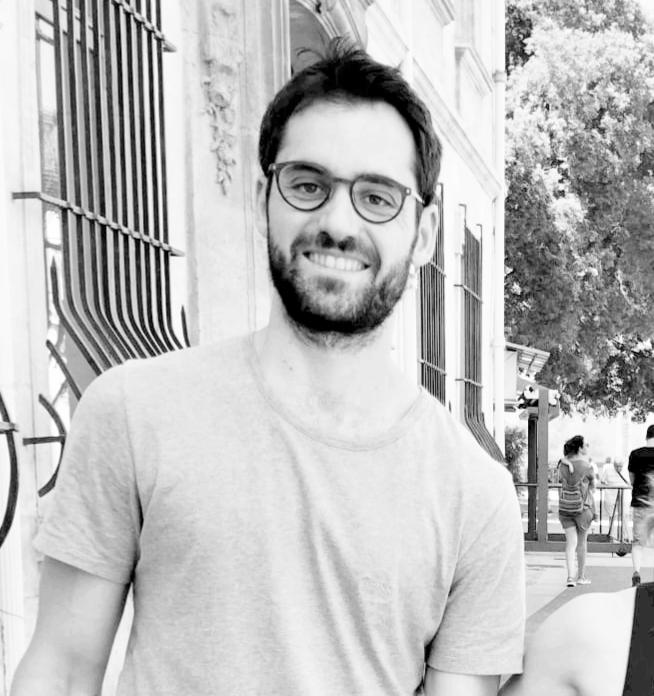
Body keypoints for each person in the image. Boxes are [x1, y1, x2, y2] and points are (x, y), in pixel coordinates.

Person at [11, 43, 525, 696]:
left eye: (377, 197)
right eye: (308, 185)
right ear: (263, 202)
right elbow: (60, 670)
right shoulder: (134, 413)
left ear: (423, 234)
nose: (337, 222)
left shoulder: (476, 496)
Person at [499, 503, 654, 696]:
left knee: (573, 543)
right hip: (581, 514)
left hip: (569, 513)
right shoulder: (586, 631)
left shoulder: (590, 629)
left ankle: (573, 575)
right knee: (579, 543)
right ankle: (576, 575)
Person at [557, 435, 595, 587]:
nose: (588, 447)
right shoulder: (587, 466)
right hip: (582, 510)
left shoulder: (562, 466)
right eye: (586, 445)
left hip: (565, 508)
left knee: (570, 543)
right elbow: (593, 488)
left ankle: (570, 577)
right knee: (581, 543)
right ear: (579, 448)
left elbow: (560, 481)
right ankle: (581, 577)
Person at [628, 424, 654, 586]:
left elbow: (632, 480)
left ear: (647, 436)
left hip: (641, 503)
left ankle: (637, 572)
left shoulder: (635, 454)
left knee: (638, 542)